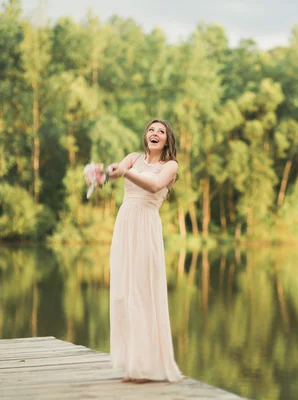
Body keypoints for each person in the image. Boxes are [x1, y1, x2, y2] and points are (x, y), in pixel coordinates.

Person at [106, 119, 182, 384]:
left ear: (167, 139)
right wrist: (102, 173)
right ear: (145, 135)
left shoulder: (170, 166)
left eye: (161, 131)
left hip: (146, 227)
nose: (155, 133)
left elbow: (152, 186)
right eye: (151, 129)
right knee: (124, 293)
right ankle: (133, 365)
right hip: (125, 224)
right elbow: (115, 171)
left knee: (143, 292)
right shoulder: (133, 158)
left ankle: (149, 367)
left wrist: (124, 173)